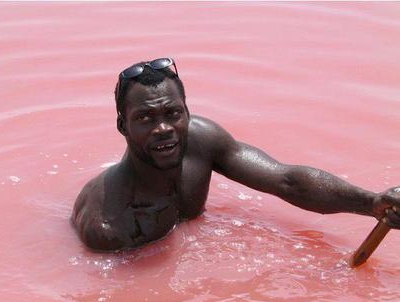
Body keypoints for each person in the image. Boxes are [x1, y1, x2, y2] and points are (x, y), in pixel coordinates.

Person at [71, 57, 400, 251]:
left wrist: (371, 204)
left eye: (173, 113)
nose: (163, 129)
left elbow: (286, 181)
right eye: (145, 118)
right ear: (122, 126)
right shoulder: (107, 223)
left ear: (187, 112)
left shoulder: (201, 139)